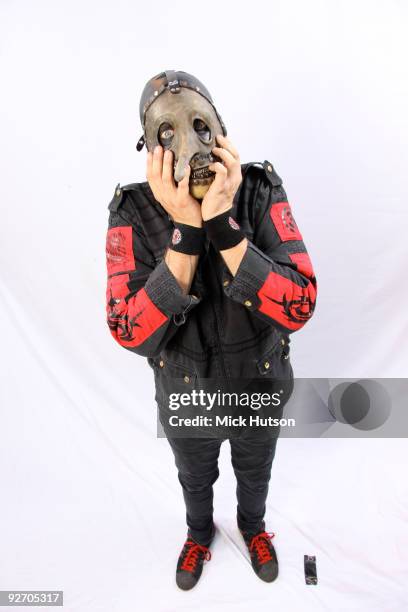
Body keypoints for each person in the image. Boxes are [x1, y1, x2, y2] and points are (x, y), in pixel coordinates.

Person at [105, 70, 317, 590]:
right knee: (195, 477)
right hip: (185, 392)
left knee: (255, 467)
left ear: (221, 129)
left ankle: (252, 527)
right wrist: (186, 232)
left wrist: (223, 222)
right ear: (150, 149)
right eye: (167, 134)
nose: (190, 145)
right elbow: (128, 329)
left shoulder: (261, 191)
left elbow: (300, 304)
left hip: (258, 384)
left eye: (201, 125)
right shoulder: (131, 211)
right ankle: (199, 534)